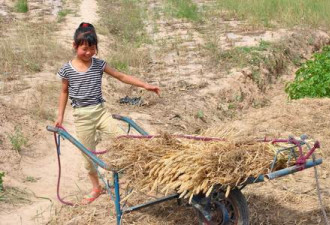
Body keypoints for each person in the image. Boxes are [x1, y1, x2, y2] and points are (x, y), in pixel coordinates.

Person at [55, 22, 160, 204]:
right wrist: (60, 117)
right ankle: (97, 187)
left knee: (123, 139)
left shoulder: (99, 65)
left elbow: (121, 76)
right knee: (88, 157)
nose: (88, 53)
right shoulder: (67, 69)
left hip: (100, 112)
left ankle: (129, 173)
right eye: (84, 49)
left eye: (92, 48)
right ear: (75, 46)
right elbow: (64, 92)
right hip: (82, 117)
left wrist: (145, 85)